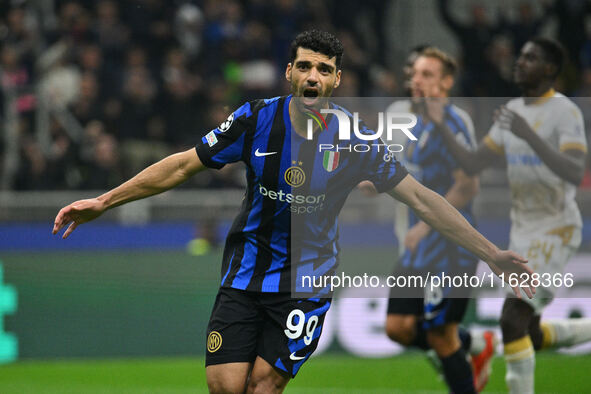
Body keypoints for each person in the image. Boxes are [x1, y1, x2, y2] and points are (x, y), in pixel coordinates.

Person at [53, 30, 534, 394]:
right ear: (290, 72)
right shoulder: (255, 118)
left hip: (305, 285)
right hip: (243, 276)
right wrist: (105, 200)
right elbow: (182, 166)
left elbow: (423, 199)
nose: (313, 77)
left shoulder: (356, 139)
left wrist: (492, 254)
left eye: (324, 70)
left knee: (263, 386)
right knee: (224, 386)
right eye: (305, 67)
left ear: (337, 79)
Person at [431, 37, 591, 394]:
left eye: (530, 58)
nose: (519, 62)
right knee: (527, 331)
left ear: (549, 69)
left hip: (555, 230)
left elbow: (573, 169)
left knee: (511, 319)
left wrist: (529, 135)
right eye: (520, 56)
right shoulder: (511, 113)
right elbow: (473, 162)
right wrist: (440, 124)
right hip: (522, 233)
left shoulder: (564, 111)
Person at [383, 47, 494, 394]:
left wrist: (423, 225)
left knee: (440, 336)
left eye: (427, 75)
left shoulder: (452, 122)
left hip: (449, 246)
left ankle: (462, 353)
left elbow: (468, 186)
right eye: (415, 73)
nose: (416, 80)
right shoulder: (418, 121)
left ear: (446, 83)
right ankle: (473, 343)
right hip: (419, 247)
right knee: (397, 327)